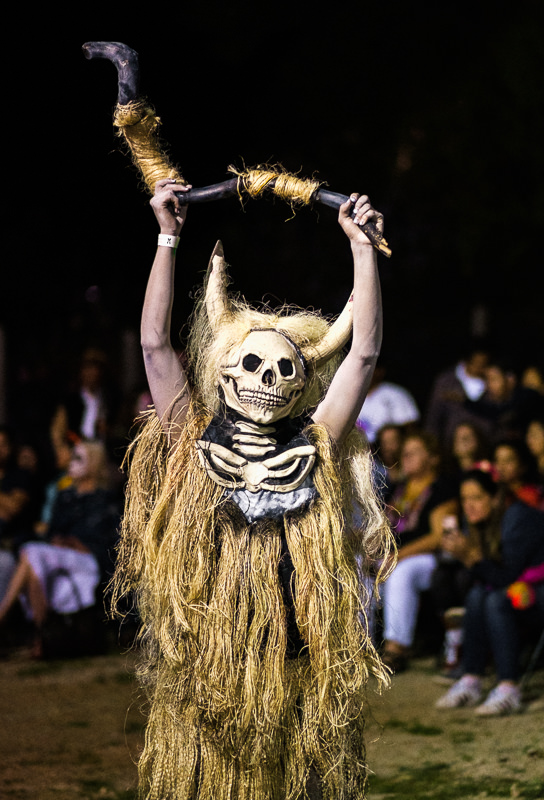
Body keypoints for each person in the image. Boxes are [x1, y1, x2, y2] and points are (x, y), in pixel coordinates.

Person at [111, 181, 394, 800]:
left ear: (301, 384)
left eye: (285, 369)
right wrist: (168, 237)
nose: (268, 381)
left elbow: (363, 355)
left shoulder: (316, 442)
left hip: (299, 659)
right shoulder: (191, 437)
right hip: (209, 668)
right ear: (225, 371)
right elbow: (155, 344)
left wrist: (363, 249)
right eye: (253, 367)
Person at [435, 469, 544, 715]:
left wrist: (471, 558)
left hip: (536, 591)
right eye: (464, 499)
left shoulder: (518, 519)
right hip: (518, 591)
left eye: (477, 498)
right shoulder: (481, 524)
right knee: (476, 596)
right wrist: (465, 557)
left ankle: (508, 687)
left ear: (495, 498)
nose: (469, 506)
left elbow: (506, 578)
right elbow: (486, 580)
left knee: (496, 600)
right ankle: (471, 679)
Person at [0, 441, 118, 651]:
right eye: (72, 458)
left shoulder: (107, 499)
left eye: (79, 459)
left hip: (89, 560)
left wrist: (79, 544)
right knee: (34, 557)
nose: (72, 464)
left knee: (32, 553)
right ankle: (42, 636)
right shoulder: (65, 497)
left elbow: (111, 540)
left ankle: (8, 618)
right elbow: (52, 532)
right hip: (58, 555)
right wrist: (58, 541)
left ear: (94, 463)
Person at [381, 431, 458, 672]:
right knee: (358, 568)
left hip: (429, 559)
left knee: (401, 572)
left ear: (433, 458)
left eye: (413, 451)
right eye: (405, 451)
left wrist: (397, 557)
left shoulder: (441, 487)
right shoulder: (399, 489)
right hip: (393, 555)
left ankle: (396, 649)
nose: (405, 455)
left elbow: (438, 537)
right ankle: (358, 648)